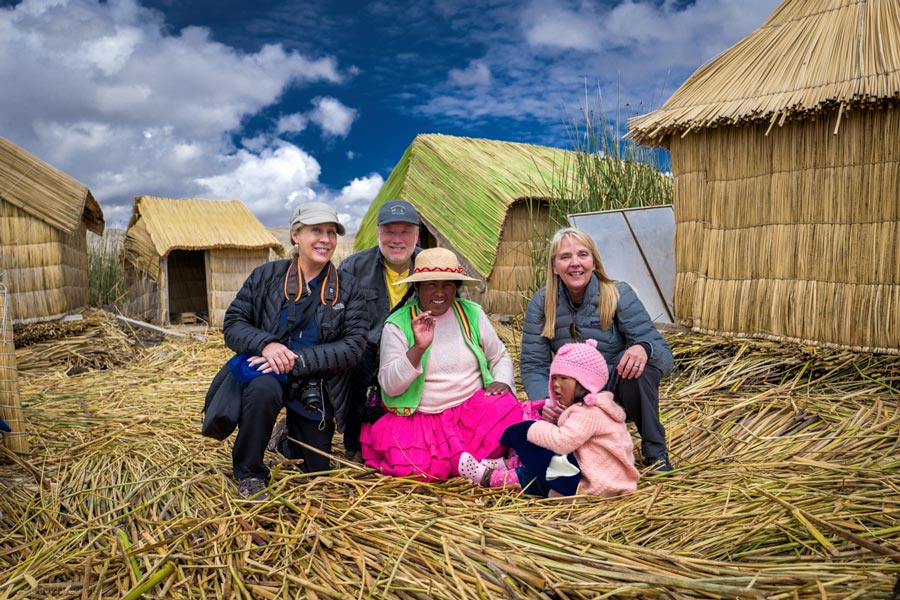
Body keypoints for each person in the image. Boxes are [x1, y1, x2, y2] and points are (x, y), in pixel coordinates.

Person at [209, 201, 367, 499]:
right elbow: (233, 323)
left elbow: (353, 346)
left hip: (316, 380)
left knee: (316, 470)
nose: (325, 239)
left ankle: (286, 437)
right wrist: (266, 344)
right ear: (296, 235)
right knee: (262, 390)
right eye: (315, 231)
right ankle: (250, 472)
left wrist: (299, 361)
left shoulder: (347, 287)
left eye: (331, 232)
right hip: (269, 376)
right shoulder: (265, 277)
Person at [359, 247, 524, 481]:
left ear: (456, 287)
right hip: (420, 421)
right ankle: (479, 465)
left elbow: (500, 356)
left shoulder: (471, 313)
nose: (440, 292)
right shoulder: (397, 324)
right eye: (431, 285)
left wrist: (501, 381)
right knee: (415, 470)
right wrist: (417, 349)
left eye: (447, 284)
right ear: (416, 288)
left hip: (469, 414)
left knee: (507, 407)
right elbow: (390, 386)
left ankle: (473, 464)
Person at [520, 227, 675, 471]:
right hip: (572, 397)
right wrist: (545, 401)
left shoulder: (617, 294)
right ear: (553, 266)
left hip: (614, 393)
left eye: (583, 255)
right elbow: (534, 364)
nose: (575, 263)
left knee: (640, 368)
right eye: (565, 257)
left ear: (594, 261)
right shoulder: (542, 303)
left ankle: (656, 453)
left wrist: (644, 348)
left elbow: (665, 358)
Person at [459, 339, 640, 498]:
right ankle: (506, 463)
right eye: (554, 378)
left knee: (535, 474)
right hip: (599, 475)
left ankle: (489, 477)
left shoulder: (588, 413)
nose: (555, 385)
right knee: (546, 453)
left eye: (564, 378)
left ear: (584, 383)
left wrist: (532, 428)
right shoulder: (590, 406)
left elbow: (562, 443)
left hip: (594, 485)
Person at [336, 199, 421, 462]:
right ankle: (353, 444)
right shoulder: (353, 268)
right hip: (366, 350)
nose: (397, 239)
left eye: (405, 231)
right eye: (389, 231)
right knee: (352, 362)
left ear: (417, 234)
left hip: (415, 349)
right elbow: (339, 319)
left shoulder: (431, 265)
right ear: (378, 233)